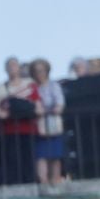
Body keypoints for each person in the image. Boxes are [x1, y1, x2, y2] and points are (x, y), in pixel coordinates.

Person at [0, 56, 39, 186]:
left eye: (14, 65)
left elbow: (37, 104)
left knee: (28, 158)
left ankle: (29, 183)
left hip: (27, 128)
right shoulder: (0, 88)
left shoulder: (29, 84)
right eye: (9, 66)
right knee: (11, 159)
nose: (12, 68)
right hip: (8, 130)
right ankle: (13, 184)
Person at [30, 57, 66, 186]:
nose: (39, 73)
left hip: (52, 123)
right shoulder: (32, 87)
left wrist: (46, 110)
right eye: (36, 71)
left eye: (42, 70)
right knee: (41, 155)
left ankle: (55, 180)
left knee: (55, 155)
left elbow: (59, 104)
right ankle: (43, 181)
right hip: (38, 126)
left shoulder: (53, 86)